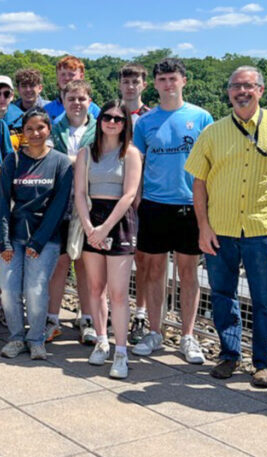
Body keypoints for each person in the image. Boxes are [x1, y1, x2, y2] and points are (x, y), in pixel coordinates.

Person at [186, 66, 267, 386]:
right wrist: (203, 227)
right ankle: (229, 354)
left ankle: (266, 363)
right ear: (228, 92)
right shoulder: (212, 132)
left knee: (266, 298)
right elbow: (199, 183)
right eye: (236, 86)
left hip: (264, 227)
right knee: (222, 294)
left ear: (261, 90)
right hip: (221, 227)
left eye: (248, 86)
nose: (242, 91)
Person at [132, 58, 213, 364]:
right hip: (154, 205)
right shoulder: (145, 122)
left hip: (191, 205)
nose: (168, 84)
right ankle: (154, 331)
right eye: (162, 79)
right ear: (154, 84)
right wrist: (139, 201)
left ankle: (188, 336)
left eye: (173, 79)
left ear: (184, 81)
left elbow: (211, 164)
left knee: (188, 272)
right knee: (152, 271)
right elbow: (136, 164)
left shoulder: (201, 117)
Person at [0, 108, 73, 361]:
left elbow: (59, 206)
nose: (35, 133)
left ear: (49, 129)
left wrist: (38, 242)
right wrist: (4, 240)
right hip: (14, 236)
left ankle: (36, 339)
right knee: (8, 289)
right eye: (29, 128)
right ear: (23, 133)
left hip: (45, 238)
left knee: (36, 291)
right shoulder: (13, 160)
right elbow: (4, 203)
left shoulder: (61, 163)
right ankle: (17, 337)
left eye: (40, 128)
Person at [75, 100, 142, 378]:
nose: (112, 122)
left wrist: (105, 228)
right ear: (99, 120)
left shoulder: (132, 154)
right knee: (95, 288)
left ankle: (121, 352)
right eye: (107, 117)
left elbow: (129, 195)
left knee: (118, 292)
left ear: (125, 124)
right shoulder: (86, 154)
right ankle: (102, 340)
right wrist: (90, 226)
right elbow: (80, 192)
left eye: (118, 118)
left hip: (119, 221)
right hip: (92, 218)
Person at [47, 79, 98, 346]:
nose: (76, 103)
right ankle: (52, 319)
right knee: (60, 263)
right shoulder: (55, 129)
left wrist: (71, 162)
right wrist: (79, 161)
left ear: (89, 101)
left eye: (82, 99)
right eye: (71, 99)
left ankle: (87, 318)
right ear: (63, 101)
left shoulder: (100, 129)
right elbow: (48, 161)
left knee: (86, 266)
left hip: (91, 205)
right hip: (61, 204)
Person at [118, 63, 152, 345]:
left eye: (135, 81)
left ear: (144, 84)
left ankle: (139, 313)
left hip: (141, 197)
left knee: (141, 259)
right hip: (111, 196)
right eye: (126, 81)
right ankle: (110, 312)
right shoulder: (112, 115)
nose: (130, 86)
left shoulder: (150, 117)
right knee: (111, 259)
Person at [43, 55, 101, 121]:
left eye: (71, 74)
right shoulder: (47, 110)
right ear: (57, 77)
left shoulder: (94, 111)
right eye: (63, 74)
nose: (67, 78)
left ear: (81, 76)